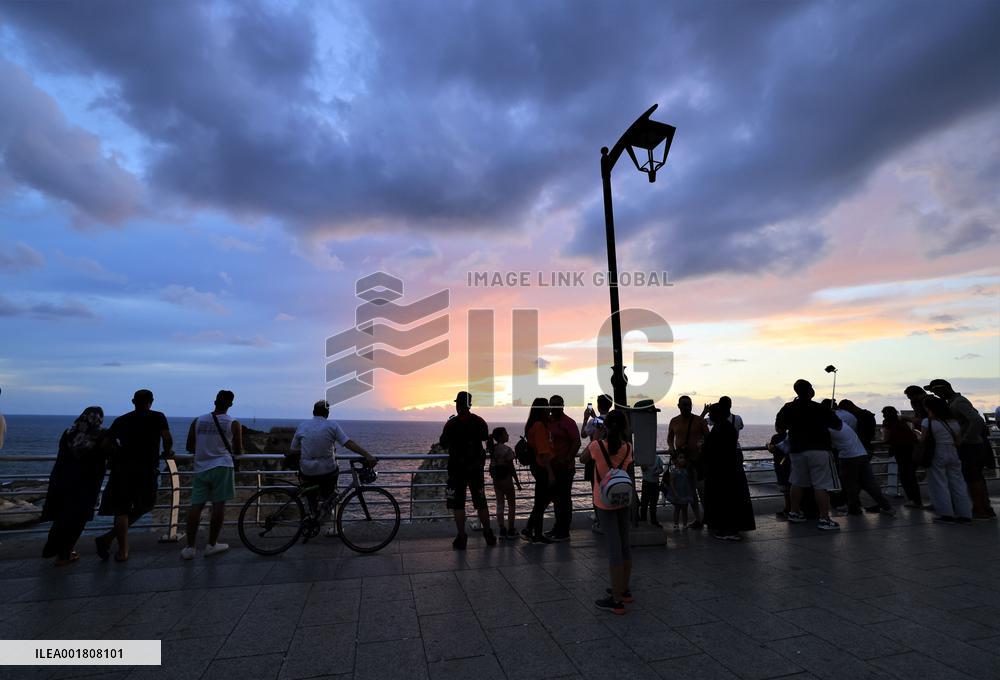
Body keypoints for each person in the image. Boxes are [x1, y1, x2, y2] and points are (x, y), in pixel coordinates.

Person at [96, 389, 173, 562]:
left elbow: (106, 444)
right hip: (146, 470)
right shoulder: (158, 417)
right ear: (151, 401)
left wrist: (113, 455)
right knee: (146, 504)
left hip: (121, 470)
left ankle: (121, 550)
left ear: (133, 401)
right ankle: (108, 539)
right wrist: (167, 452)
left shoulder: (121, 420)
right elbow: (167, 437)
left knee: (121, 510)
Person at [291, 400, 377, 537]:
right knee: (331, 494)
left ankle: (312, 516)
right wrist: (367, 455)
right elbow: (348, 443)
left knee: (310, 495)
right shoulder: (332, 425)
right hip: (327, 471)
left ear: (313, 412)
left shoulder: (302, 425)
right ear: (327, 413)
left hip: (307, 470)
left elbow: (293, 449)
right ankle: (331, 521)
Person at [41, 407, 112, 566]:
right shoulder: (101, 435)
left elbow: (61, 455)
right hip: (87, 483)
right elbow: (111, 454)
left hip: (62, 479)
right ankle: (64, 555)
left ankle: (52, 549)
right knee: (78, 519)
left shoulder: (68, 433)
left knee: (62, 516)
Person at [581, 409, 633, 614]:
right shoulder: (628, 447)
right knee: (624, 545)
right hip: (623, 499)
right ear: (625, 428)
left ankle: (616, 600)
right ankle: (624, 589)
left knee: (613, 549)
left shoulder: (596, 446)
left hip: (604, 502)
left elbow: (582, 459)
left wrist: (596, 437)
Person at [775, 379, 842, 531]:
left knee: (797, 482)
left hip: (797, 451)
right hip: (819, 450)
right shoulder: (820, 408)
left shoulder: (788, 408)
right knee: (821, 485)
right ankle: (824, 519)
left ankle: (794, 513)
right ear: (810, 390)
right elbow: (838, 426)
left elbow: (779, 429)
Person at [181, 390, 242, 559]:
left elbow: (189, 446)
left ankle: (189, 548)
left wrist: (204, 452)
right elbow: (238, 450)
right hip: (222, 466)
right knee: (218, 506)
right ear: (230, 404)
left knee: (196, 506)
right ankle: (212, 544)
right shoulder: (234, 423)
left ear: (215, 401)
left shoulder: (198, 420)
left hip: (201, 467)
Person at [924, 379, 995, 519]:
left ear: (943, 389)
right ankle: (983, 508)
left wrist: (965, 439)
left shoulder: (958, 402)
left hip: (971, 446)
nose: (935, 394)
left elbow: (977, 420)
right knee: (974, 477)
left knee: (973, 478)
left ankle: (981, 509)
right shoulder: (955, 402)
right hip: (973, 445)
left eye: (936, 391)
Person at [439, 391, 496, 549]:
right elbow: (486, 438)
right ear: (470, 404)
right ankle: (488, 534)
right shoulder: (479, 421)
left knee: (458, 505)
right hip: (475, 469)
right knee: (481, 502)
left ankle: (462, 537)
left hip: (457, 470)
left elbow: (443, 442)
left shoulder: (451, 424)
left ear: (458, 405)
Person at [703, 402, 756, 541]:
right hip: (730, 470)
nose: (710, 416)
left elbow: (713, 450)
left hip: (721, 472)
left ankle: (726, 530)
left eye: (711, 413)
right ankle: (731, 528)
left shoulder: (719, 429)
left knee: (724, 500)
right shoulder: (728, 428)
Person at [920, 397, 972, 524]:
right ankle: (965, 514)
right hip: (953, 452)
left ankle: (946, 514)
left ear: (929, 408)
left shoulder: (928, 422)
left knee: (939, 484)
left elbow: (923, 440)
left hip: (937, 453)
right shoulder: (954, 422)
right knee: (958, 483)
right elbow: (958, 441)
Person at [830, 416, 894, 516]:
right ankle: (887, 507)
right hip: (862, 455)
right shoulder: (844, 425)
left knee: (850, 485)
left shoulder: (829, 429)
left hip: (848, 458)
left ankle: (854, 509)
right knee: (870, 484)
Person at [667, 395, 710, 529]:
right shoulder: (674, 421)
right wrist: (672, 449)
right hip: (682, 464)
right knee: (690, 493)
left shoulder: (699, 421)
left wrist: (702, 447)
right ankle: (698, 519)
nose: (687, 407)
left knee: (702, 491)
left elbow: (708, 438)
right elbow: (669, 438)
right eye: (684, 404)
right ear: (678, 406)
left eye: (689, 404)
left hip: (698, 463)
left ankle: (708, 517)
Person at [545, 395, 581, 541]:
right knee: (556, 499)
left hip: (565, 467)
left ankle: (564, 531)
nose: (555, 407)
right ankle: (558, 526)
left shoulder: (569, 422)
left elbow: (577, 442)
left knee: (564, 499)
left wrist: (567, 458)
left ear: (563, 405)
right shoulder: (548, 422)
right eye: (553, 404)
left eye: (558, 404)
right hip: (552, 467)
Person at [522, 397, 555, 544]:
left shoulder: (532, 425)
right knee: (542, 501)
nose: (549, 409)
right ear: (541, 409)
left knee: (541, 500)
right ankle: (536, 534)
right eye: (547, 406)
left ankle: (530, 529)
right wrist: (550, 472)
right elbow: (543, 452)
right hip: (542, 467)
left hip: (536, 466)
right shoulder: (539, 426)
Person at [581, 394, 612, 530]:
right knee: (610, 488)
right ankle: (609, 519)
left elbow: (583, 434)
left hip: (594, 458)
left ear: (598, 405)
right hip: (611, 459)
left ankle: (600, 521)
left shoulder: (595, 421)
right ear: (610, 405)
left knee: (596, 490)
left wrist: (586, 418)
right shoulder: (614, 419)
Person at [882, 406, 922, 509]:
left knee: (905, 476)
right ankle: (917, 500)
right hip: (911, 449)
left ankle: (913, 500)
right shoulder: (902, 422)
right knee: (911, 476)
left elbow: (886, 438)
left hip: (900, 451)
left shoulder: (887, 422)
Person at [487, 427, 519, 539]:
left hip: (496, 481)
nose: (508, 435)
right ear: (501, 436)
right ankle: (511, 530)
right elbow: (512, 468)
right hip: (506, 479)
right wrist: (518, 483)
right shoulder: (507, 450)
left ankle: (502, 529)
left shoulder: (493, 449)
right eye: (506, 433)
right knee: (511, 505)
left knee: (500, 504)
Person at [664, 451, 692, 529]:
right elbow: (671, 483)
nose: (682, 460)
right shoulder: (674, 471)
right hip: (678, 492)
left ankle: (685, 524)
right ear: (675, 460)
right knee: (677, 509)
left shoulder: (686, 470)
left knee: (685, 509)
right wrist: (675, 492)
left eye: (683, 458)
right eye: (680, 458)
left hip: (685, 493)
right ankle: (676, 523)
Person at [638, 454, 664, 527]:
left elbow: (661, 469)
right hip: (648, 482)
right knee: (645, 502)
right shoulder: (645, 458)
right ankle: (645, 519)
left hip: (652, 483)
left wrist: (658, 471)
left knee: (652, 502)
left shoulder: (657, 457)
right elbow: (643, 468)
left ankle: (651, 520)